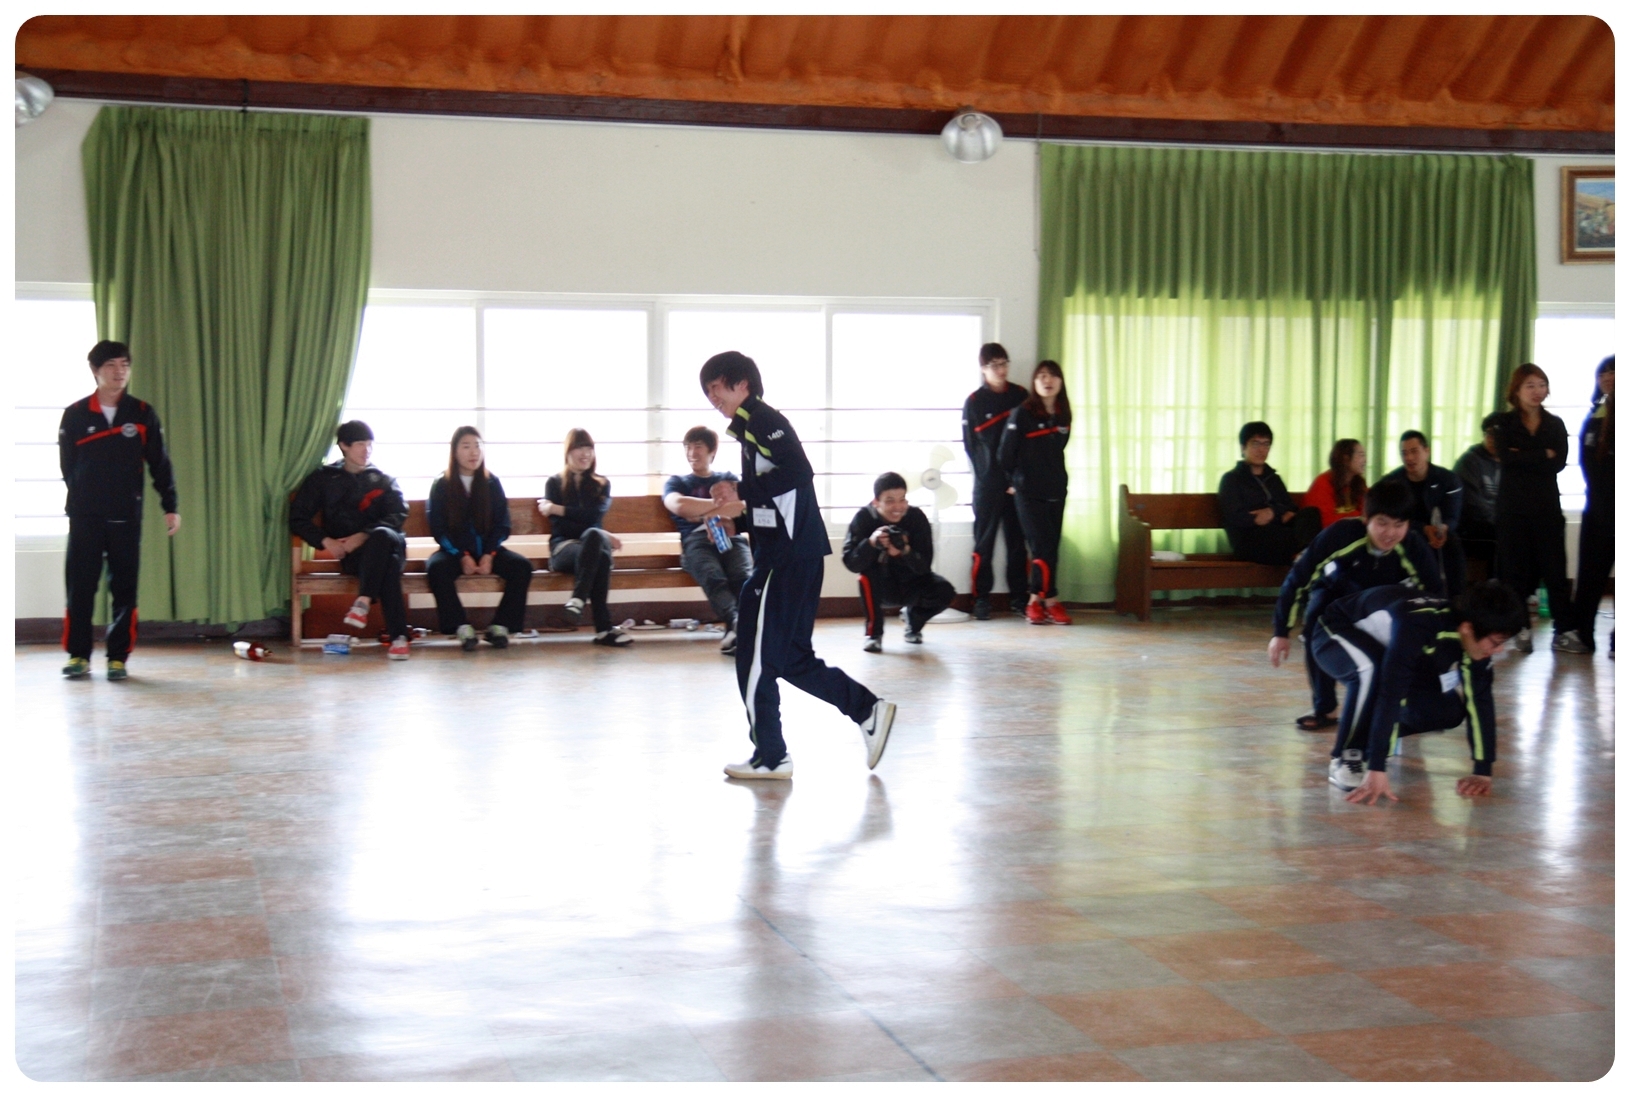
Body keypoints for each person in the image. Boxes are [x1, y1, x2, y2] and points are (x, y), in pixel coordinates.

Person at [700, 350, 895, 780]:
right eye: (707, 391)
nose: (712, 397)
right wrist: (739, 519)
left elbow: (798, 471)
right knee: (790, 657)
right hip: (792, 557)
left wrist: (740, 495)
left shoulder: (763, 420)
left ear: (742, 384)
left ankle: (771, 756)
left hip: (783, 561)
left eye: (716, 386)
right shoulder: (751, 430)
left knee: (754, 656)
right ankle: (868, 710)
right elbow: (779, 500)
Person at [1312, 581, 1526, 803]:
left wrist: (1482, 770)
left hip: (1385, 650)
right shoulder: (1418, 624)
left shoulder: (1472, 639)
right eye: (1496, 642)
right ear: (1468, 629)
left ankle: (1373, 737)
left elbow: (1480, 699)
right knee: (1371, 669)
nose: (1499, 650)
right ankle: (1347, 754)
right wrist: (1377, 766)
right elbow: (1392, 690)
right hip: (1334, 630)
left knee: (1447, 710)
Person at [1268, 479, 1444, 731]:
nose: (1390, 533)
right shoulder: (1340, 536)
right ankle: (1325, 707)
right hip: (1336, 594)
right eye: (1382, 523)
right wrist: (1280, 631)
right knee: (1315, 624)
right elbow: (1297, 579)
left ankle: (1403, 705)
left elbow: (1435, 595)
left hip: (1383, 600)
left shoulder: (1413, 547)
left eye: (1399, 525)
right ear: (1365, 519)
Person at [58, 340, 180, 681]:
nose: (119, 372)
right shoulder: (76, 414)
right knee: (80, 588)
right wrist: (85, 496)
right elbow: (68, 466)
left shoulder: (141, 413)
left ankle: (117, 658)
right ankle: (78, 655)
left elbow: (160, 463)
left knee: (125, 589)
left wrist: (170, 505)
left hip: (126, 516)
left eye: (124, 365)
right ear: (95, 371)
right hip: (85, 517)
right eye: (111, 365)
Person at [289, 420, 411, 659]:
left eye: (370, 444)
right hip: (355, 558)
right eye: (360, 444)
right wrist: (326, 541)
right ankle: (399, 638)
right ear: (344, 446)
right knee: (387, 565)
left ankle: (363, 602)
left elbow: (398, 514)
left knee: (381, 535)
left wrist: (362, 536)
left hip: (390, 542)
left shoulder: (383, 479)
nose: (367, 450)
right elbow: (297, 518)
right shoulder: (324, 479)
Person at [1492, 364, 1580, 654]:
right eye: (1530, 385)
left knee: (1555, 572)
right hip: (1512, 509)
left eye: (1542, 384)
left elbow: (1559, 463)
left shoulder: (1555, 424)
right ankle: (1520, 628)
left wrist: (1524, 456)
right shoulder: (1503, 423)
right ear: (1516, 390)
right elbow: (1506, 458)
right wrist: (1543, 453)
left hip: (1546, 508)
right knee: (1514, 572)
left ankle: (1563, 631)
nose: (1537, 391)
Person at [425, 426, 533, 650]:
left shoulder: (491, 482)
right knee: (436, 568)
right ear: (455, 452)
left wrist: (489, 554)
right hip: (454, 552)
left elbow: (502, 524)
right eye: (466, 446)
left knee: (521, 567)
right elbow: (438, 528)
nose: (474, 452)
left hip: (488, 550)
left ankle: (501, 626)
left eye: (478, 446)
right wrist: (461, 555)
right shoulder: (442, 484)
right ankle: (460, 626)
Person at [841, 472, 957, 652]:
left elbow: (925, 567)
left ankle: (913, 623)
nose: (898, 507)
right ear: (876, 502)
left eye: (902, 499)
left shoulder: (916, 517)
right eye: (889, 501)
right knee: (865, 577)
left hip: (911, 582)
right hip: (881, 585)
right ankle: (873, 635)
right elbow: (851, 563)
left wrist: (905, 551)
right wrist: (871, 543)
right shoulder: (864, 518)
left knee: (945, 591)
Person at [663, 425, 753, 656]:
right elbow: (679, 506)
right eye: (687, 447)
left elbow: (742, 507)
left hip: (731, 534)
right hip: (696, 540)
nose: (692, 452)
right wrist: (719, 506)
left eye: (698, 447)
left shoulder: (727, 478)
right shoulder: (677, 482)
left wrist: (700, 512)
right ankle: (738, 623)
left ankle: (738, 631)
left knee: (742, 577)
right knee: (714, 577)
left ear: (712, 451)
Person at [539, 428, 630, 647]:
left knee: (596, 544)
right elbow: (562, 527)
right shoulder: (554, 483)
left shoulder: (602, 484)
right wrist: (598, 530)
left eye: (589, 448)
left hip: (592, 546)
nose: (585, 453)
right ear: (567, 452)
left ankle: (577, 600)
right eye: (579, 447)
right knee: (598, 546)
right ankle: (603, 629)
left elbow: (594, 516)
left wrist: (556, 508)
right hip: (564, 549)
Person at [998, 359, 1073, 625]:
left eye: (1052, 375)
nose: (1047, 381)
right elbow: (1005, 454)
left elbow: (1057, 449)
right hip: (1028, 492)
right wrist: (1013, 481)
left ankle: (1039, 599)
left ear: (1060, 381)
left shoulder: (1064, 414)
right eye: (1041, 376)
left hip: (1056, 489)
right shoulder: (1022, 413)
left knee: (1051, 546)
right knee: (1040, 545)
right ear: (1034, 382)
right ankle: (1045, 600)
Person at [961, 342, 1029, 620]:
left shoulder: (1021, 396)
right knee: (984, 544)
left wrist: (1018, 478)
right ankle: (981, 599)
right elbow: (971, 446)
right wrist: (987, 477)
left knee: (1018, 543)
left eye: (1004, 363)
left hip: (1017, 485)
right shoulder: (974, 402)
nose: (1000, 370)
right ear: (983, 369)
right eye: (994, 365)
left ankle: (1020, 598)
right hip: (987, 484)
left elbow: (1028, 441)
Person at [1218, 422, 1323, 565]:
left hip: (1279, 534)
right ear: (1243, 448)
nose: (1261, 450)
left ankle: (1303, 556)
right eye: (1255, 444)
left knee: (1311, 513)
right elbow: (1234, 517)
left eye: (1266, 444)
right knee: (1284, 535)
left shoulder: (1274, 479)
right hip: (1249, 540)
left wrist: (1272, 513)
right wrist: (1259, 519)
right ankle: (1305, 557)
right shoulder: (1231, 479)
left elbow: (1290, 508)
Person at [1379, 431, 1466, 596]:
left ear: (1427, 451)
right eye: (1404, 453)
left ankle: (1455, 597)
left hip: (1440, 532)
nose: (1409, 458)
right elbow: (1391, 515)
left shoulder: (1448, 479)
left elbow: (1453, 516)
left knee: (1451, 543)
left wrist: (1443, 528)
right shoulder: (1392, 482)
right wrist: (1423, 529)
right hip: (1405, 532)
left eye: (1414, 451)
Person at [1567, 355, 1614, 656]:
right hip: (1597, 508)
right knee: (1589, 576)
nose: (1608, 377)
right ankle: (1583, 636)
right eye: (1602, 373)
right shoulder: (1595, 413)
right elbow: (1588, 462)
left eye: (1614, 372)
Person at [1452, 413, 1503, 573]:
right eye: (1490, 434)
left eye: (1499, 435)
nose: (1494, 440)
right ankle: (1495, 586)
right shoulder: (1470, 461)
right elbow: (1473, 505)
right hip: (1472, 527)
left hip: (1499, 523)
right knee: (1503, 537)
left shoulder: (1511, 463)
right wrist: (1500, 521)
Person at [1302, 439, 1368, 528]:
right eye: (1361, 455)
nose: (1365, 460)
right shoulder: (1323, 483)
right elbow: (1326, 522)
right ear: (1345, 459)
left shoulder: (1358, 483)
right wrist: (1358, 517)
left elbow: (1368, 512)